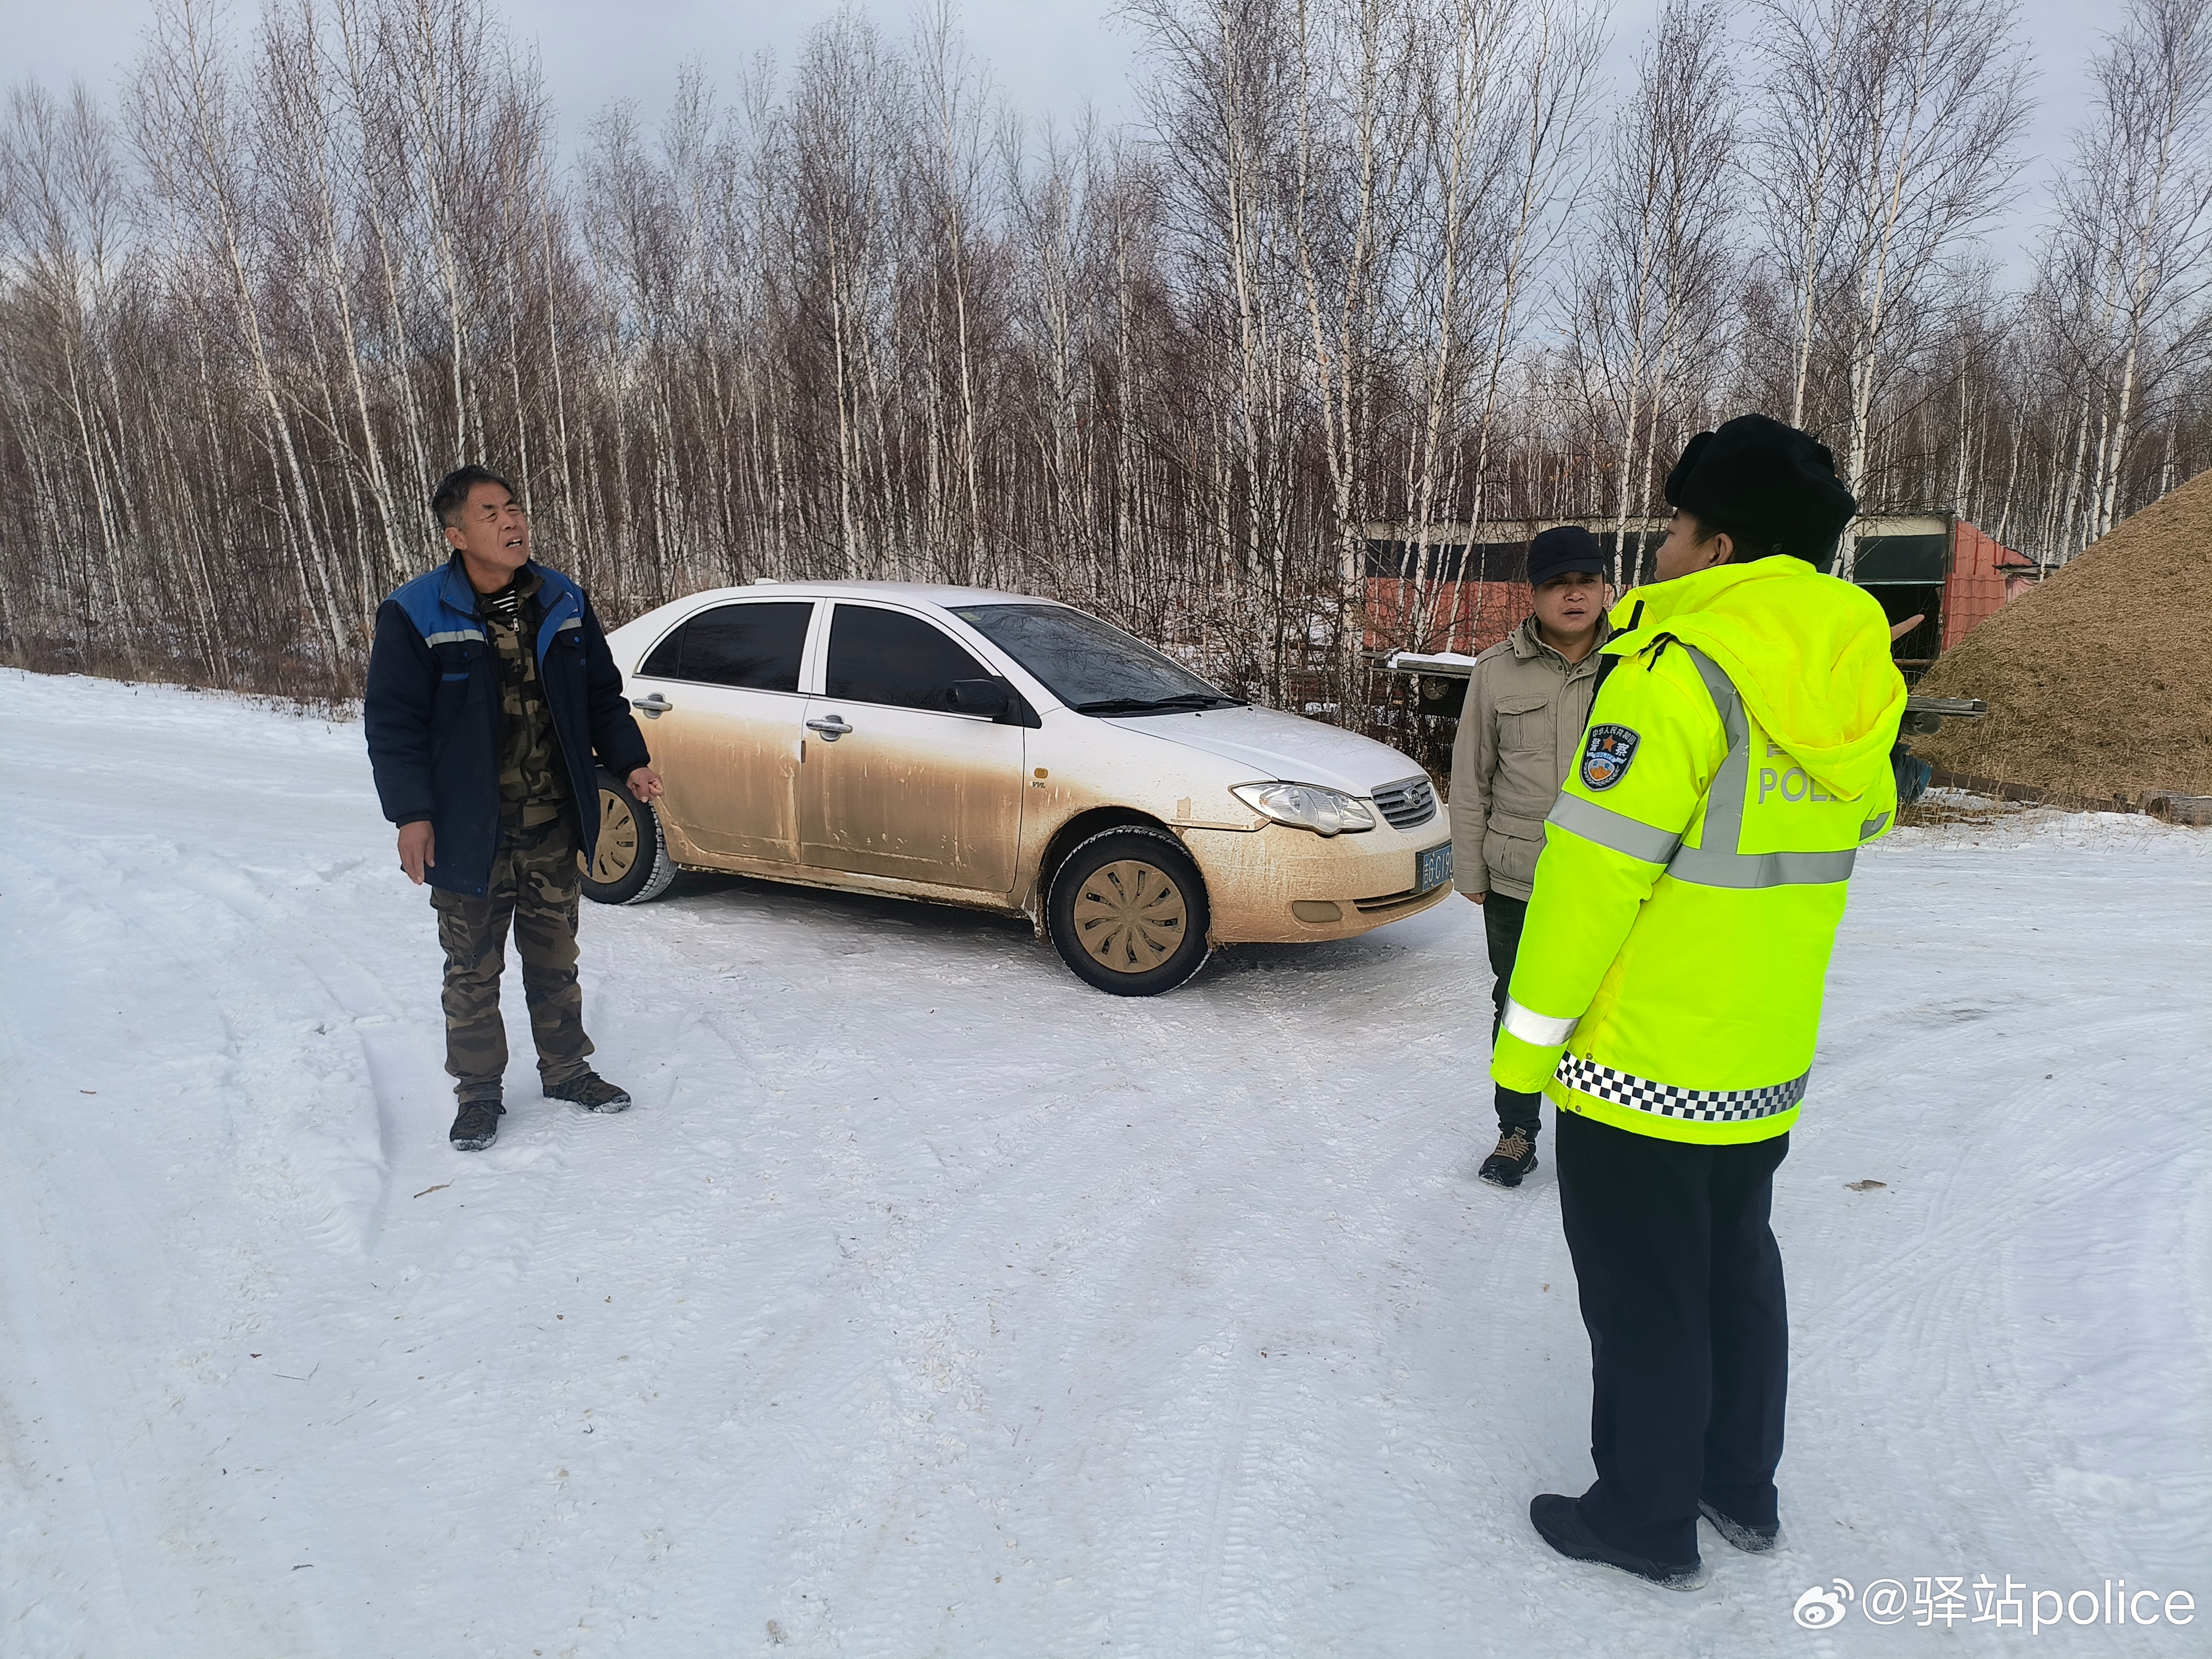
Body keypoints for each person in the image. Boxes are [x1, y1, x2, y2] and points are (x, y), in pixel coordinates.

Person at [1490, 414, 1904, 1589]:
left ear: (1716, 544)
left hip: (1644, 1057)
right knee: (1735, 1271)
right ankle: (1737, 1487)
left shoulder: (1676, 674)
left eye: (1671, 527)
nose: (1657, 550)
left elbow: (1587, 882)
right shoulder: (1849, 672)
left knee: (1645, 1299)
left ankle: (1641, 1517)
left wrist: (1523, 1052)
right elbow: (1862, 819)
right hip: (1762, 1052)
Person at [365, 466, 665, 1152]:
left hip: (552, 820)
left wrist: (630, 760)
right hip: (469, 830)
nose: (511, 522)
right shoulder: (415, 613)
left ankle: (565, 1070)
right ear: (456, 534)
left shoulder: (561, 599)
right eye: (491, 512)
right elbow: (393, 723)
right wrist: (412, 814)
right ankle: (478, 1094)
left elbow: (600, 699)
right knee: (472, 967)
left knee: (555, 955)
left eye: (515, 508)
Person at [1449, 525, 1613, 1188]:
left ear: (1607, 588)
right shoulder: (1495, 672)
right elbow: (1470, 778)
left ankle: (1603, 1136)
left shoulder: (1638, 666)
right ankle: (1516, 1131)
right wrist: (1472, 870)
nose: (1573, 596)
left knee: (1606, 1011)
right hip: (1520, 875)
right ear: (1535, 595)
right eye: (1556, 584)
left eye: (1585, 582)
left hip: (1611, 876)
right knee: (1522, 1009)